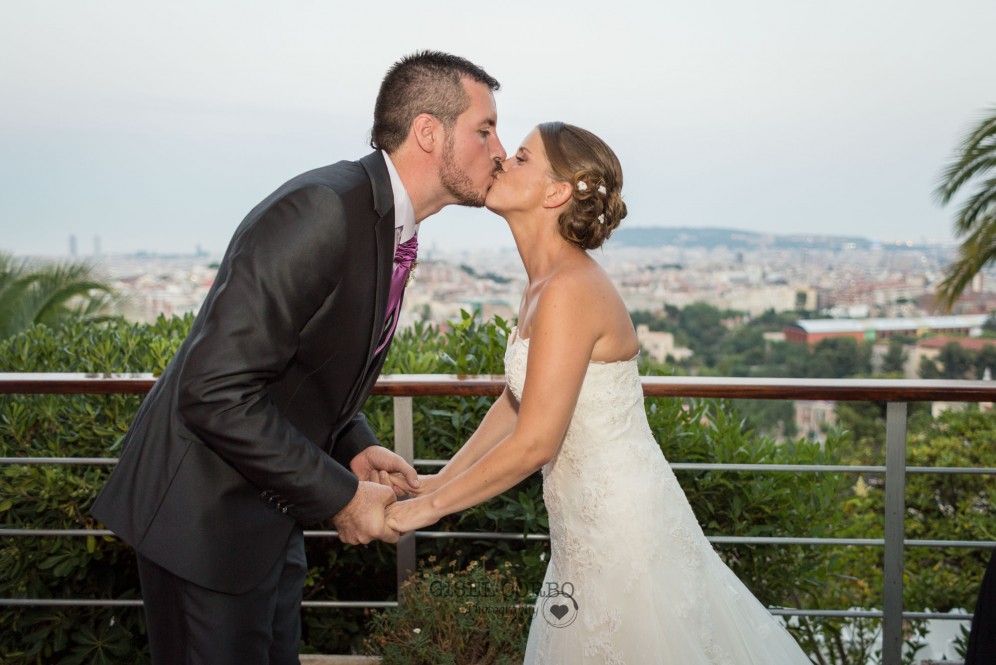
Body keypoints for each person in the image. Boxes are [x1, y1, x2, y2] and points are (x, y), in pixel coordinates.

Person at [90, 51, 506, 665]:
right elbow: (214, 390)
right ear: (428, 132)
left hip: (263, 518)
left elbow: (300, 366)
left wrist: (351, 443)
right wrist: (340, 495)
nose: (500, 148)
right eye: (485, 128)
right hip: (200, 523)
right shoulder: (323, 207)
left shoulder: (380, 220)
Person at [385, 122, 812, 663]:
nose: (500, 161)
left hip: (620, 531)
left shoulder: (569, 290)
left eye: (520, 157)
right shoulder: (544, 283)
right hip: (582, 530)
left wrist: (429, 512)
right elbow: (517, 404)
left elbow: (537, 441)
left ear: (556, 192)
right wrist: (436, 482)